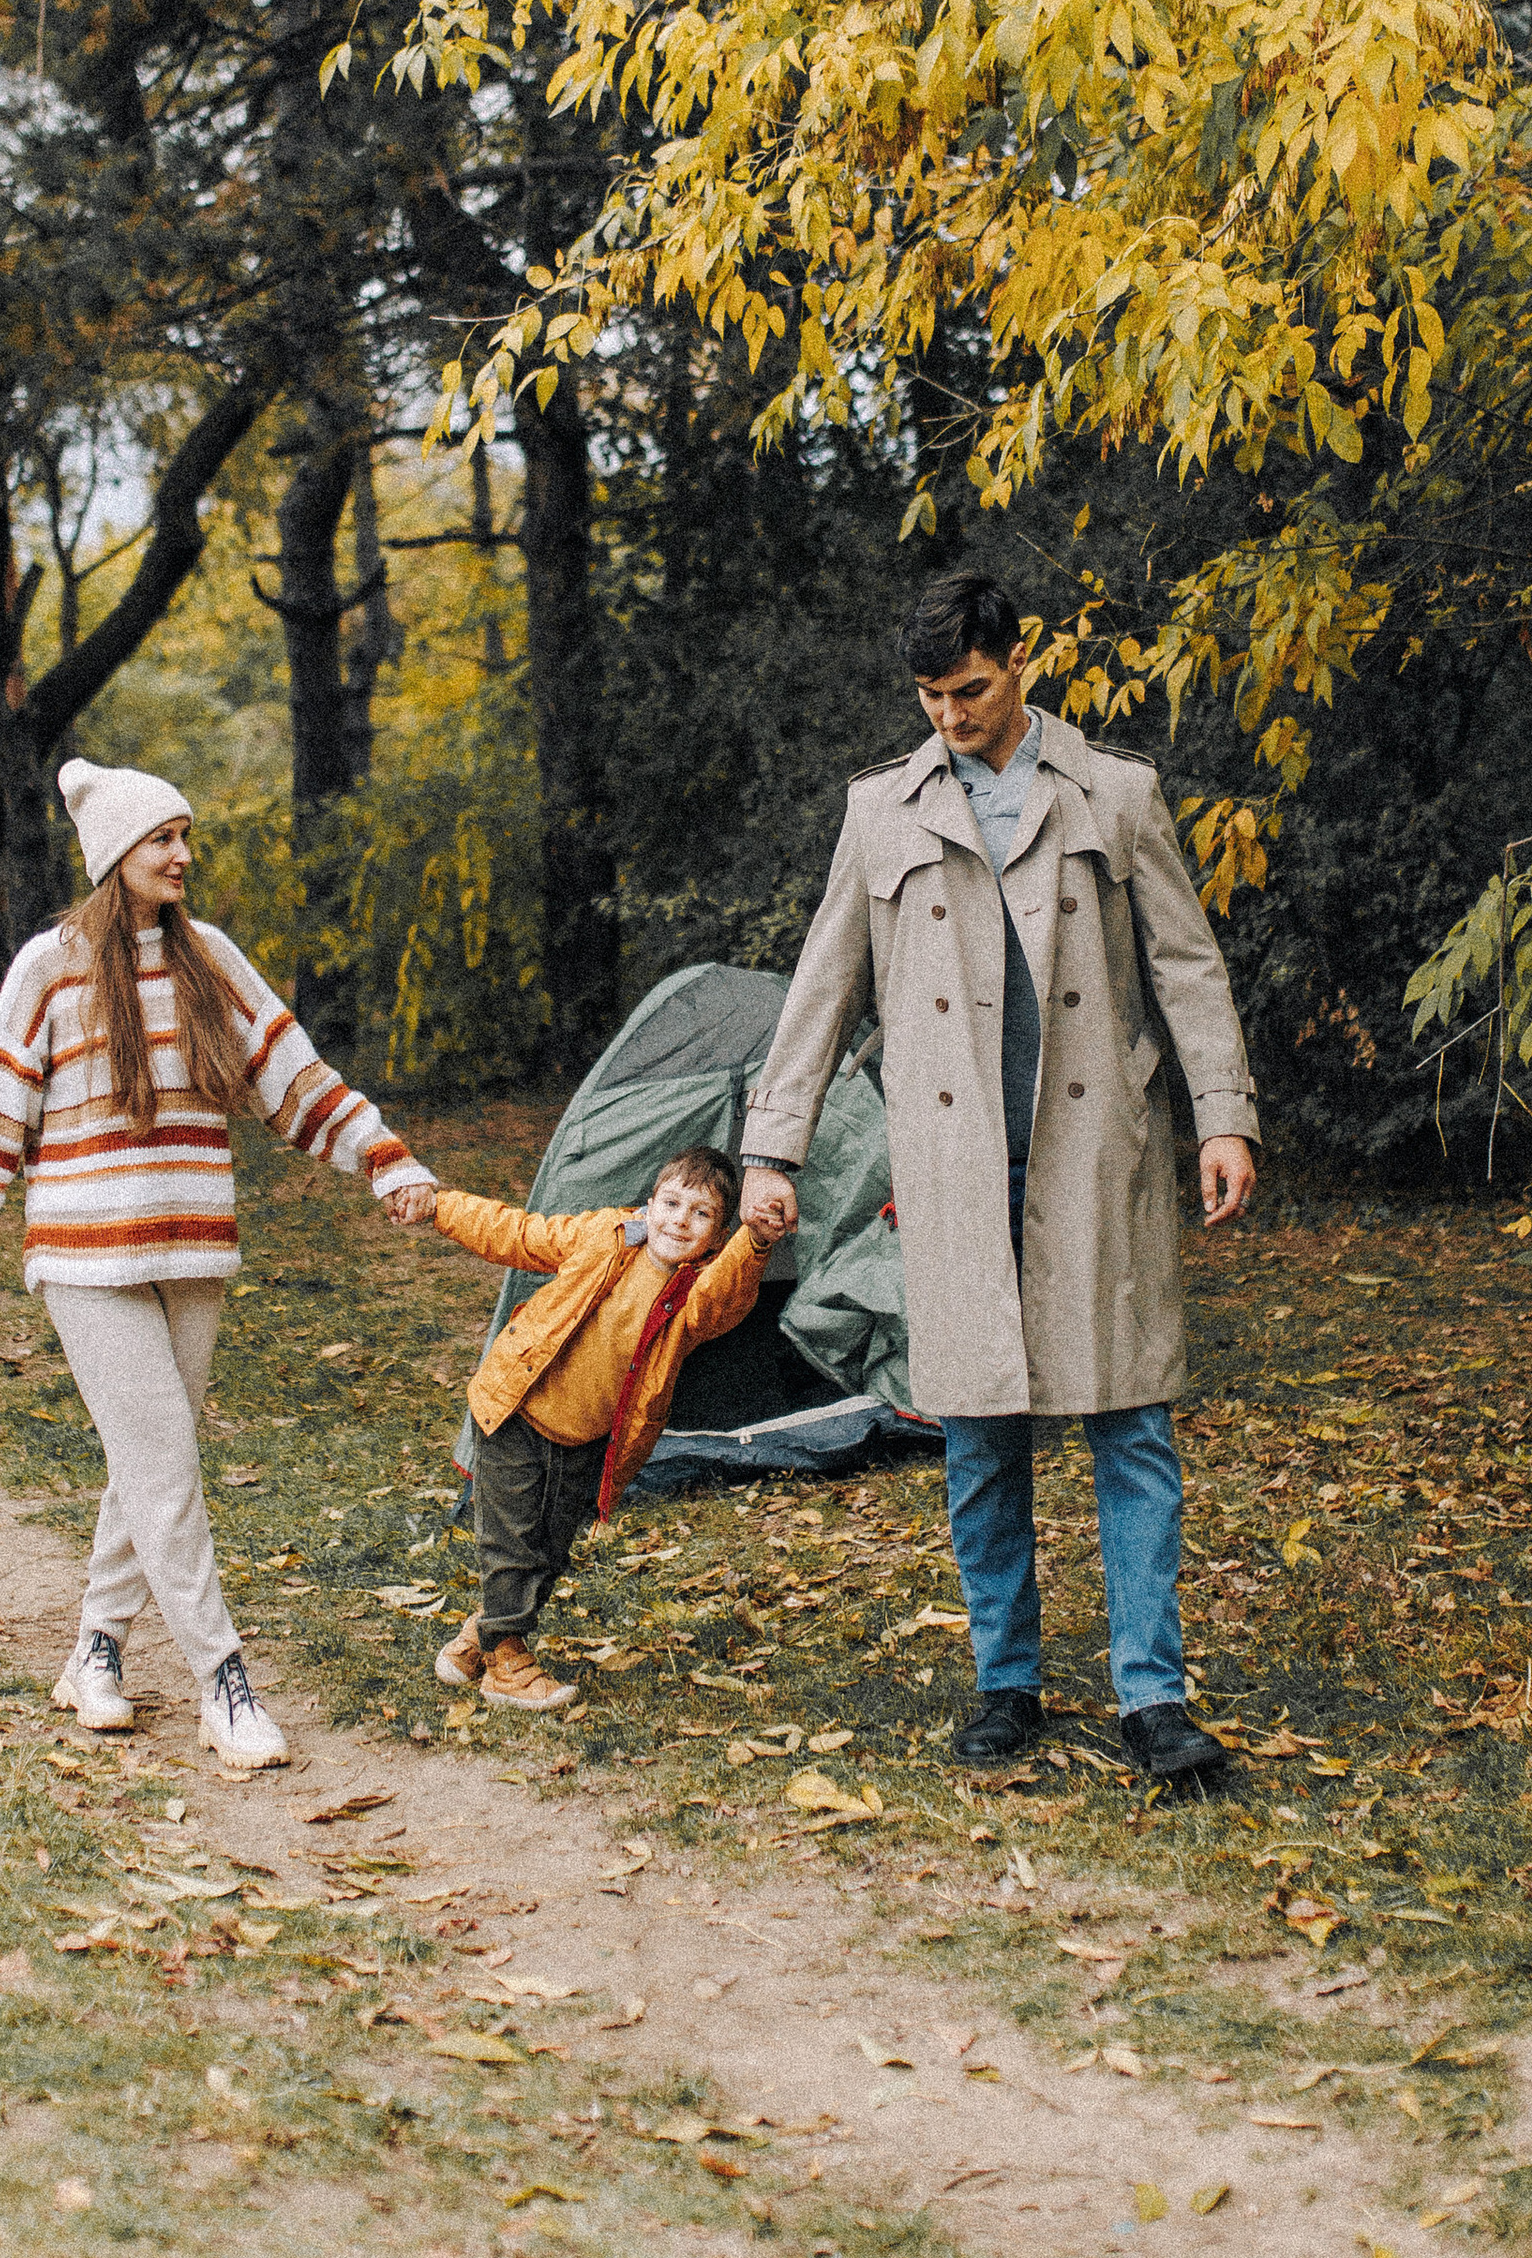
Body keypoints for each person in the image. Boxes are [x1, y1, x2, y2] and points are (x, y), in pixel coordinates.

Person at [738, 572, 1259, 1787]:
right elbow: (823, 990)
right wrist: (772, 1149)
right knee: (977, 1433)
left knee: (1130, 1422)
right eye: (928, 696)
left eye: (967, 689)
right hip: (957, 1161)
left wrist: (1222, 1117)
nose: (948, 717)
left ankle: (1152, 1697)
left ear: (1016, 662)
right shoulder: (880, 812)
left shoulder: (1115, 791)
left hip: (1099, 1153)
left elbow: (1188, 966)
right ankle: (1004, 1683)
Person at [0, 756, 434, 1769]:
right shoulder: (49, 967)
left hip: (192, 1246)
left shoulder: (210, 959)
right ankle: (222, 1681)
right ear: (117, 854)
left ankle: (97, 1650)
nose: (182, 855)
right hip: (83, 1255)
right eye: (163, 839)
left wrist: (385, 1161)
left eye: (184, 836)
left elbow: (294, 1077)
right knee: (163, 1464)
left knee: (147, 1463)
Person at [396, 1144, 774, 1711]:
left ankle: (482, 1636)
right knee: (512, 1541)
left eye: (701, 1215)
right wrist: (439, 1206)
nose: (679, 1220)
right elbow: (517, 1233)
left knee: (549, 1551)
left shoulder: (694, 1296)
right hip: (516, 1410)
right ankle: (507, 1663)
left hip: (589, 1440)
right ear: (649, 1205)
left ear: (718, 1238)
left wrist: (757, 1241)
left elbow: (729, 1297)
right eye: (671, 1203)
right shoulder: (605, 1236)